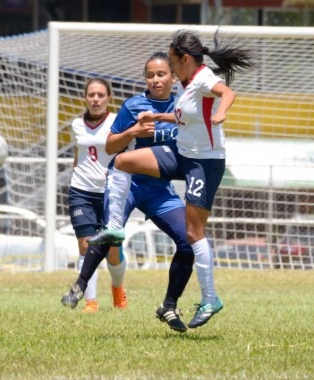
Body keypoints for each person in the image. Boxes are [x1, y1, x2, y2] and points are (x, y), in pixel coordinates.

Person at [86, 28, 253, 328]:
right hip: (180, 154)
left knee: (193, 233)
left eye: (172, 63)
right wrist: (156, 118)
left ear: (185, 60)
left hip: (203, 163)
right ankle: (114, 229)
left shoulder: (202, 78)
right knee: (123, 161)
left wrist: (221, 114)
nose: (169, 70)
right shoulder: (186, 83)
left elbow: (227, 93)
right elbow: (181, 117)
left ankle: (210, 298)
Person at [62, 52, 195, 333]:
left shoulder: (183, 106)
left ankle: (169, 305)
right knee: (110, 231)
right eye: (150, 75)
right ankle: (80, 285)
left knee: (188, 240)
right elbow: (111, 147)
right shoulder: (134, 105)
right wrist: (133, 131)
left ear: (173, 76)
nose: (156, 80)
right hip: (129, 184)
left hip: (160, 190)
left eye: (161, 74)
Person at [66, 77, 127, 313]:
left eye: (101, 95)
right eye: (91, 94)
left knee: (112, 251)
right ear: (85, 97)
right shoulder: (76, 124)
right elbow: (78, 154)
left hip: (111, 193)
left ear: (109, 98)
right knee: (86, 244)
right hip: (81, 190)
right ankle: (90, 302)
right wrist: (73, 181)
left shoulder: (117, 122)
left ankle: (117, 289)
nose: (95, 99)